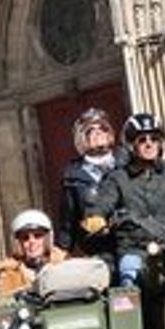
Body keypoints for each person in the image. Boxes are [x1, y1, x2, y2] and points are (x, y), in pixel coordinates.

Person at [83, 112, 165, 287]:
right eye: (142, 140)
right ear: (131, 145)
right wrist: (96, 218)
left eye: (154, 139)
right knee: (128, 283)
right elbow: (102, 204)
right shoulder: (118, 178)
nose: (149, 144)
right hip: (134, 251)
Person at [0, 209, 67, 310]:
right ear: (17, 243)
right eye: (25, 238)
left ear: (47, 239)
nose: (32, 242)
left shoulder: (63, 266)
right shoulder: (7, 275)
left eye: (38, 236)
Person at [57, 107, 123, 258]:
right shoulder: (73, 177)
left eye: (103, 129)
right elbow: (68, 223)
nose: (98, 133)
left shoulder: (127, 164)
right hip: (99, 250)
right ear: (81, 139)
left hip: (132, 243)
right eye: (91, 131)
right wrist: (61, 249)